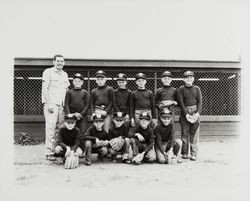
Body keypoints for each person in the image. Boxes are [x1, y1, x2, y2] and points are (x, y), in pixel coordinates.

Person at [41, 54, 70, 160]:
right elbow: (45, 89)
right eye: (58, 61)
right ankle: (49, 152)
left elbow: (66, 91)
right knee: (50, 128)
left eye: (62, 61)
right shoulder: (48, 72)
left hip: (61, 105)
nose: (60, 63)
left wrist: (66, 106)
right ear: (53, 62)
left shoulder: (65, 74)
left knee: (60, 128)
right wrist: (49, 104)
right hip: (51, 104)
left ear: (64, 63)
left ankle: (57, 151)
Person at [178, 71, 202, 161]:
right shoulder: (181, 89)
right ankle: (184, 153)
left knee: (194, 134)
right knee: (185, 133)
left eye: (190, 77)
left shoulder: (197, 88)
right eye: (187, 78)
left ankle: (194, 153)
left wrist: (197, 113)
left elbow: (200, 102)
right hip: (185, 111)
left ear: (193, 79)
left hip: (195, 110)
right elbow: (180, 102)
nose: (189, 79)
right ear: (184, 79)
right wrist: (186, 114)